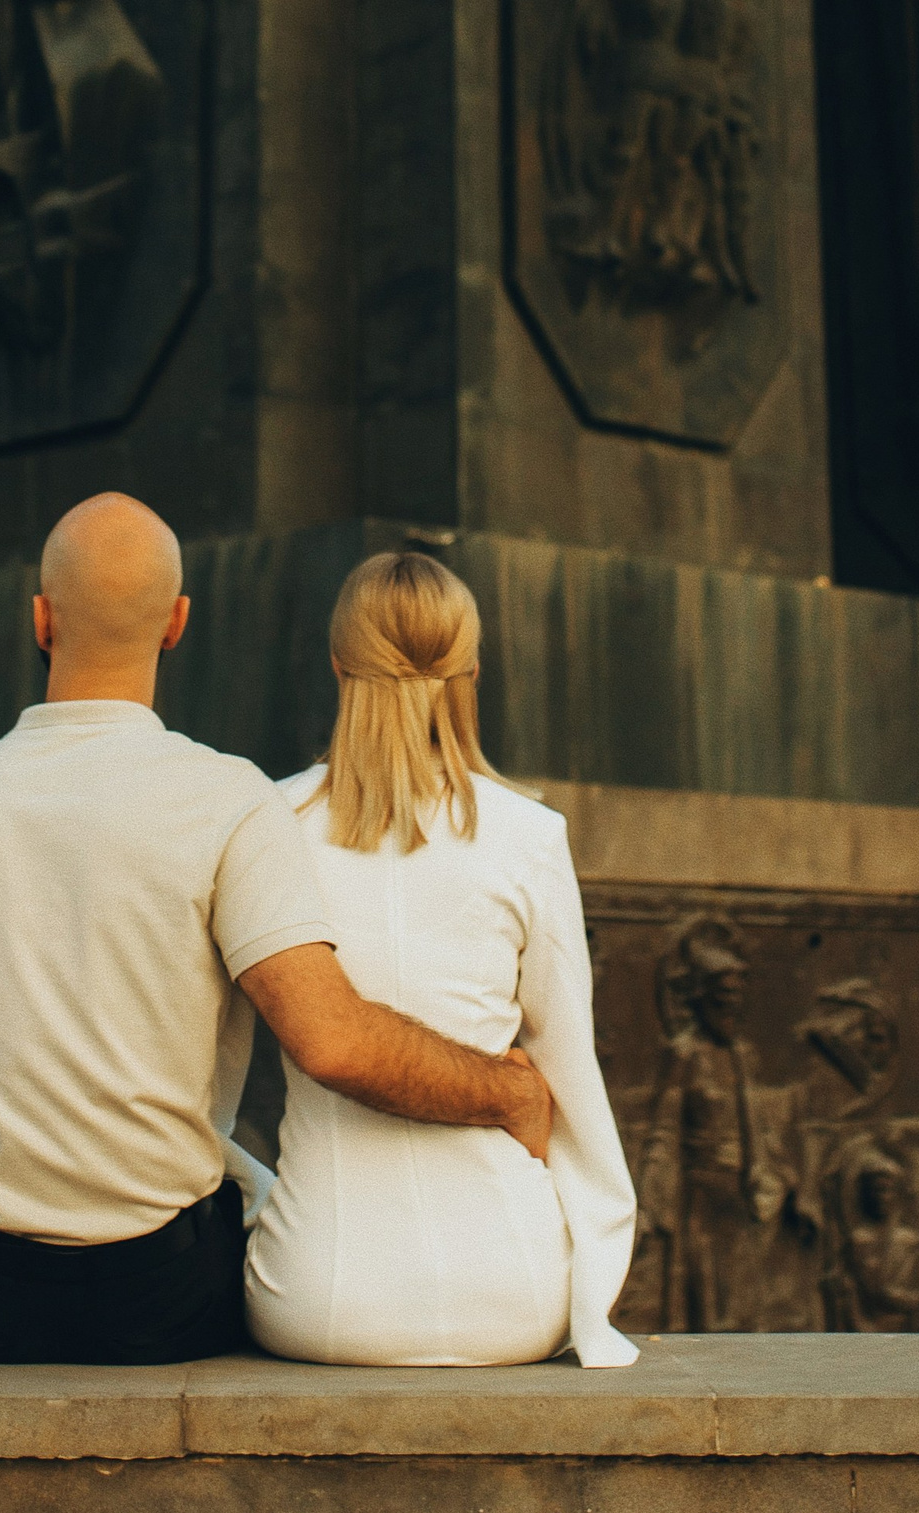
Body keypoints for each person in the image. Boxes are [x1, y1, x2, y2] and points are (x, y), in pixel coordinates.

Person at [0, 496, 553, 1364]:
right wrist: (508, 1092)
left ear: (42, 620)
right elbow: (332, 1042)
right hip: (150, 1301)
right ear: (177, 625)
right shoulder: (228, 802)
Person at [243, 552, 639, 1367]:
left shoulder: (262, 824)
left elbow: (201, 1090)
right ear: (472, 670)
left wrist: (262, 1200)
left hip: (318, 1293)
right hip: (518, 1294)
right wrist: (592, 1277)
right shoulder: (532, 836)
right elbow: (571, 1072)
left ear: (337, 665)